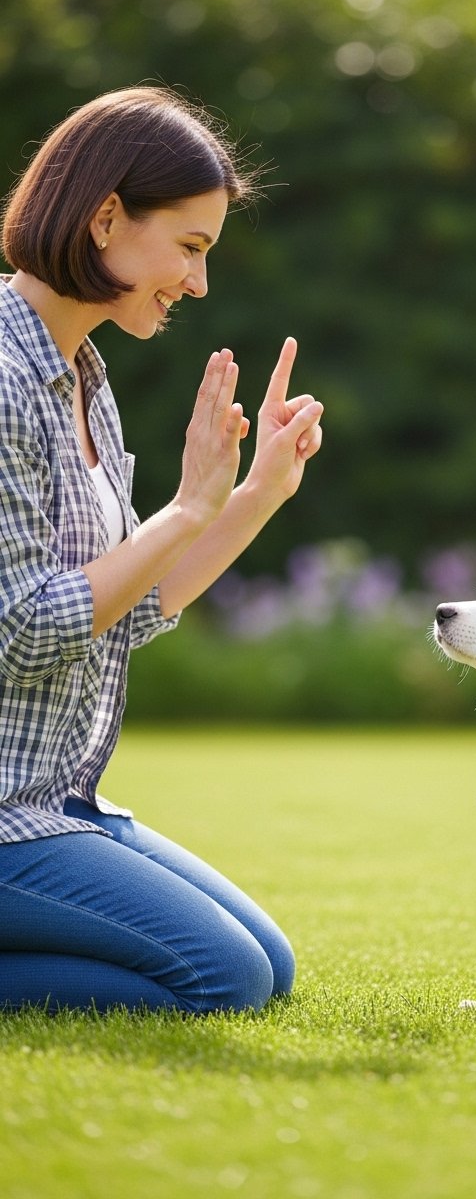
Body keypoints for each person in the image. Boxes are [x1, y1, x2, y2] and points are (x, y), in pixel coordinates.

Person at [0, 85, 323, 1014]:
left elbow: (119, 610)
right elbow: (23, 630)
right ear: (106, 218)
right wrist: (183, 509)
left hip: (52, 801)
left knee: (269, 963)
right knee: (223, 976)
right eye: (190, 247)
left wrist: (254, 494)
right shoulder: (6, 380)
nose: (199, 282)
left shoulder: (82, 376)